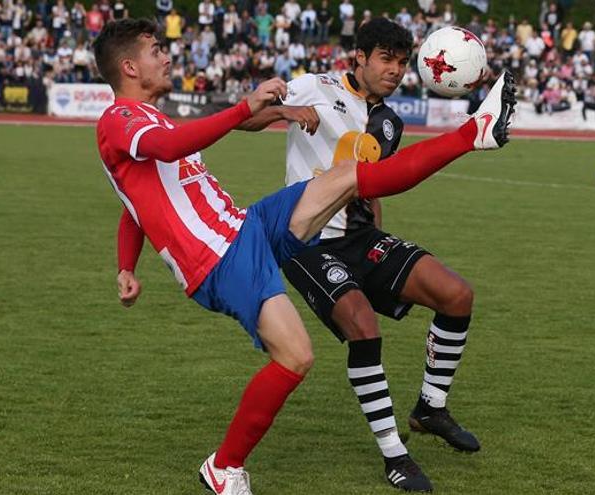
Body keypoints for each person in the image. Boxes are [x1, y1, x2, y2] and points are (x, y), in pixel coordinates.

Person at [99, 18, 514, 495]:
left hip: (243, 226)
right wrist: (248, 108)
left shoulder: (151, 118)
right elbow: (172, 148)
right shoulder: (119, 120)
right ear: (130, 66)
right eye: (155, 50)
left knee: (346, 176)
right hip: (218, 259)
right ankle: (224, 467)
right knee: (295, 358)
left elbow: (133, 205)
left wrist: (126, 266)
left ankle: (474, 132)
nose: (166, 56)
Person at [234, 18, 510, 492]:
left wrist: (379, 240)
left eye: (403, 62)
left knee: (456, 294)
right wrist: (287, 112)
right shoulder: (313, 86)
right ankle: (394, 455)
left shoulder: (389, 122)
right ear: (359, 57)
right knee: (364, 327)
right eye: (386, 59)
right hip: (307, 241)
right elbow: (244, 118)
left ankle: (430, 407)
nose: (396, 70)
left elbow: (371, 183)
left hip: (360, 238)